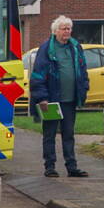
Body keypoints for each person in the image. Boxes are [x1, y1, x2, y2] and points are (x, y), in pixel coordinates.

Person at [30, 15, 90, 178]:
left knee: (69, 134)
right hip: (51, 100)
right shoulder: (46, 48)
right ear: (55, 31)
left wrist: (84, 88)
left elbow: (82, 70)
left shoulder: (75, 47)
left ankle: (72, 166)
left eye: (69, 28)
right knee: (49, 134)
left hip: (70, 100)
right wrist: (41, 97)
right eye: (64, 29)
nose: (67, 31)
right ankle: (50, 166)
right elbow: (38, 75)